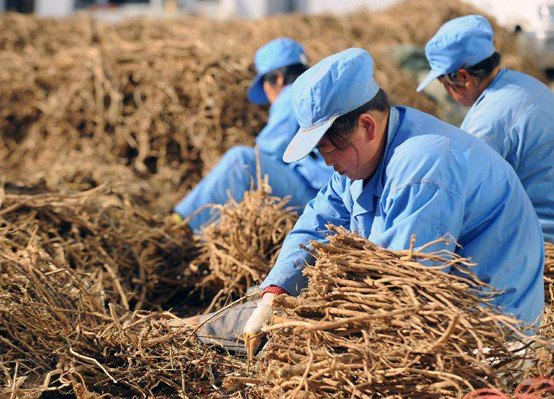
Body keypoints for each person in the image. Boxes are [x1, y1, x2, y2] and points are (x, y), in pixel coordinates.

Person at [191, 48, 544, 358]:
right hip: (430, 317)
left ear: (366, 125)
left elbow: (400, 289)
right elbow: (318, 218)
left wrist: (311, 318)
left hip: (486, 338)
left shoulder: (423, 166)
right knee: (249, 321)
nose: (325, 161)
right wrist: (275, 292)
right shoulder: (365, 155)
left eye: (328, 147)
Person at [417, 15, 554, 243]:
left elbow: (465, 201)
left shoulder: (488, 124)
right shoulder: (525, 84)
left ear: (463, 77)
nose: (448, 94)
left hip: (540, 238)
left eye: (444, 84)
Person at [173, 38, 333, 232]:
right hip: (328, 192)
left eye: (265, 83)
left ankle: (182, 223)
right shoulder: (316, 93)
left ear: (278, 78)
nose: (266, 95)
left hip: (313, 195)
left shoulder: (292, 95)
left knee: (241, 160)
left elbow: (267, 152)